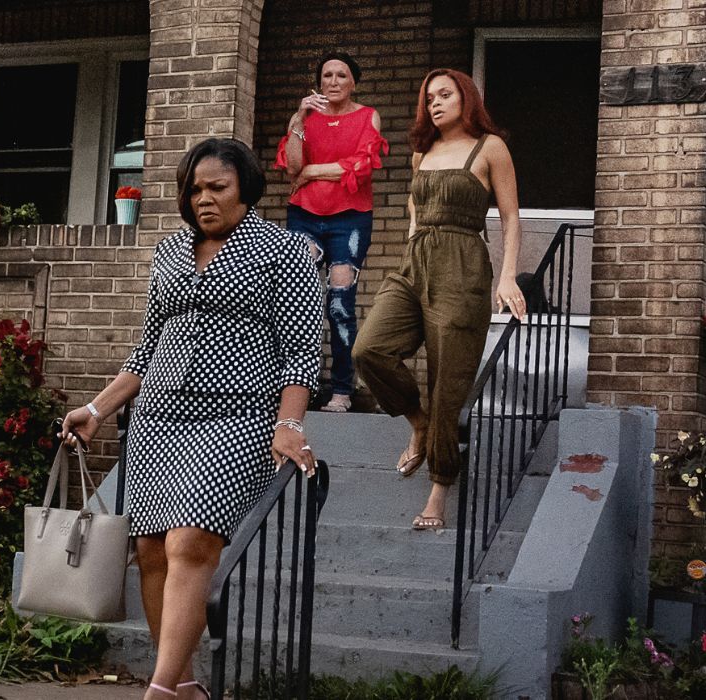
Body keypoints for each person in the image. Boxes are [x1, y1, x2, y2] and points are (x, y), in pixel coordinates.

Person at [59, 138, 323, 699]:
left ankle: (156, 691)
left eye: (217, 188)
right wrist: (96, 408)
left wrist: (290, 424)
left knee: (191, 547)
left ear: (245, 189)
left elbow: (302, 350)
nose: (203, 199)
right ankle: (184, 687)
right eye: (194, 189)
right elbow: (147, 349)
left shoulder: (285, 251)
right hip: (155, 420)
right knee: (151, 551)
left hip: (234, 418)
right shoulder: (172, 252)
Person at [352, 68, 526, 531]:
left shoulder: (490, 148)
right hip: (415, 264)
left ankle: (438, 489)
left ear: (465, 98)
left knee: (448, 383)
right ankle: (418, 422)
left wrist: (507, 279)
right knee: (368, 349)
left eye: (444, 95)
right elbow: (414, 214)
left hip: (464, 267)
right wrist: (411, 253)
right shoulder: (421, 152)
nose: (435, 103)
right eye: (429, 97)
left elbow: (510, 218)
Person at [274, 51, 389, 413]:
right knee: (301, 303)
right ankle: (297, 390)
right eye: (327, 76)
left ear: (354, 81)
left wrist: (310, 173)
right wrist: (297, 119)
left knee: (340, 305)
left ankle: (342, 390)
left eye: (341, 75)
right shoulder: (305, 119)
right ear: (318, 82)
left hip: (350, 218)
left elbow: (361, 166)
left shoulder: (368, 116)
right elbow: (293, 165)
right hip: (305, 215)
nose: (334, 82)